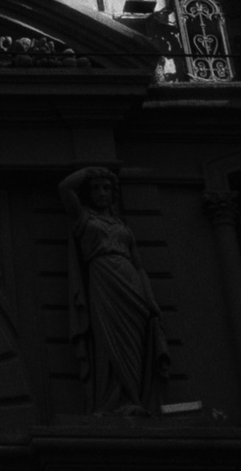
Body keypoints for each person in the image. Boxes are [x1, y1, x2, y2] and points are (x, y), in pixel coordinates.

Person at [59, 166, 170, 414]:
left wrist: (150, 300)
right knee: (108, 340)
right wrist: (91, 169)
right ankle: (113, 400)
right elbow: (65, 187)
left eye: (106, 188)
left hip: (132, 284)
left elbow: (139, 266)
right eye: (96, 188)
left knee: (133, 342)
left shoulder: (123, 226)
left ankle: (134, 400)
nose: (101, 193)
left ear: (114, 193)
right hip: (103, 280)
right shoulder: (84, 218)